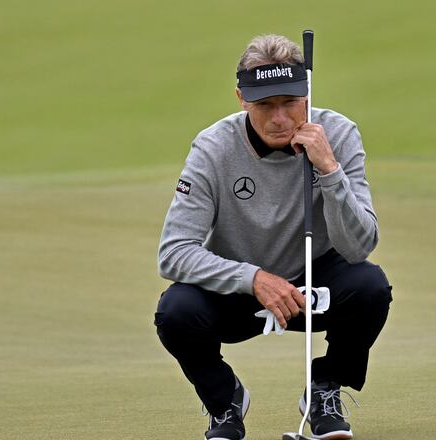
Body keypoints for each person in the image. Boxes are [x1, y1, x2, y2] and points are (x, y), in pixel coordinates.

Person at [154, 34, 392, 440]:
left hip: (316, 284)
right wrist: (255, 279)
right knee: (176, 311)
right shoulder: (212, 148)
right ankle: (224, 401)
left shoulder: (339, 134)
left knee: (370, 286)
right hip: (240, 290)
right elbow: (174, 254)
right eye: (265, 105)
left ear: (307, 93)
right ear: (241, 99)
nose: (279, 118)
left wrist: (330, 170)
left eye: (290, 103)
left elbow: (359, 246)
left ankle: (325, 389)